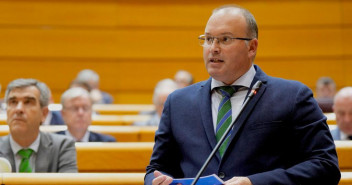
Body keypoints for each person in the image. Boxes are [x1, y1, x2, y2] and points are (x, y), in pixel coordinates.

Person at [145, 5, 340, 185]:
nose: (213, 48)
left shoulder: (293, 96)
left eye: (225, 39)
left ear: (252, 47)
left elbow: (326, 166)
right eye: (208, 39)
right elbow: (156, 169)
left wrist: (255, 183)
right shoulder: (178, 102)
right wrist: (158, 181)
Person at [0, 78, 78, 172]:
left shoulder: (62, 147)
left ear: (44, 113)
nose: (18, 109)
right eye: (13, 102)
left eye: (28, 102)